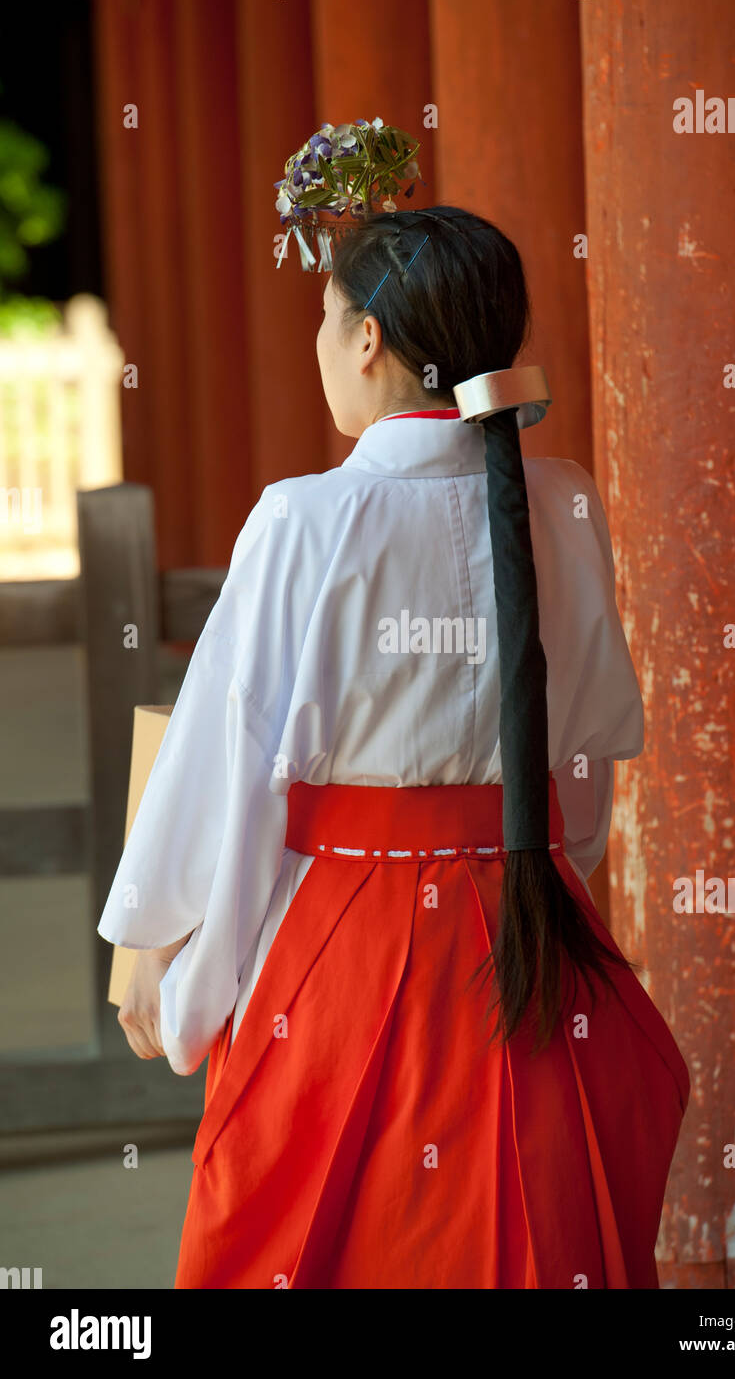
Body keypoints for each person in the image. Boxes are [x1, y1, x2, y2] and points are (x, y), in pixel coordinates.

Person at [97, 205, 689, 1290]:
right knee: (528, 1234)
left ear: (368, 338)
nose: (321, 346)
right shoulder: (563, 503)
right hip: (529, 920)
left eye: (327, 319)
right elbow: (587, 761)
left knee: (327, 1232)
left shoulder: (303, 518)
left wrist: (155, 942)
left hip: (346, 948)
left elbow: (225, 755)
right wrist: (547, 867)